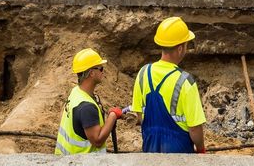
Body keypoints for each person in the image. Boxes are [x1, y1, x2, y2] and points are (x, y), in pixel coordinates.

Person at [132, 17, 206, 154]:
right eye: (186, 44)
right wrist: (201, 149)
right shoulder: (185, 81)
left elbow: (140, 116)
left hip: (150, 151)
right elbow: (195, 129)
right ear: (180, 49)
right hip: (179, 154)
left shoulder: (143, 73)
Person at [55, 48, 123, 155]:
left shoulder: (76, 91)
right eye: (100, 69)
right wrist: (113, 116)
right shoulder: (86, 107)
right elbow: (97, 141)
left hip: (69, 159)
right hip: (82, 161)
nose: (103, 71)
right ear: (91, 73)